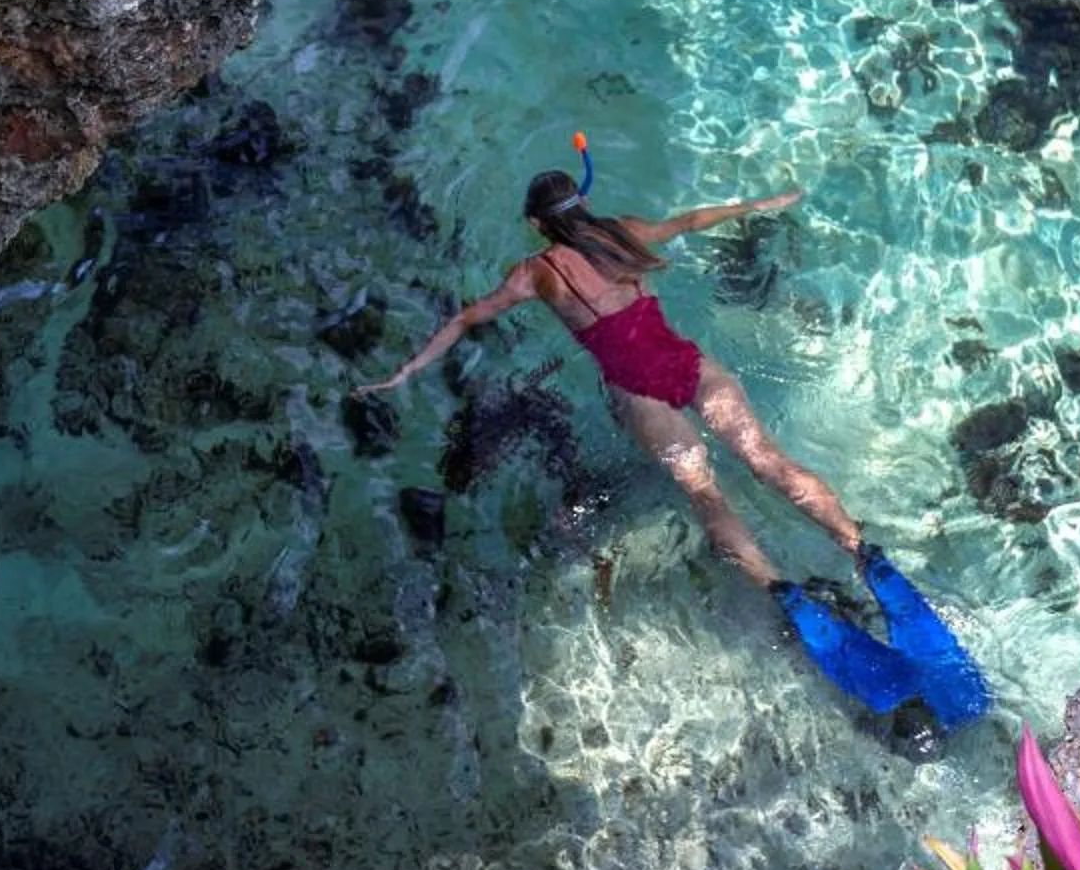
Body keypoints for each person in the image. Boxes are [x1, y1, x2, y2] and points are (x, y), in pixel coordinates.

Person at [356, 168, 858, 590]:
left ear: (535, 224)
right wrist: (764, 203)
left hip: (638, 393)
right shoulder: (622, 232)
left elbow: (467, 318)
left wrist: (406, 370)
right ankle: (857, 545)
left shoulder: (535, 273)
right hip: (689, 366)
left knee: (707, 495)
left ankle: (779, 591)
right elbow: (692, 220)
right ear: (584, 203)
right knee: (768, 460)